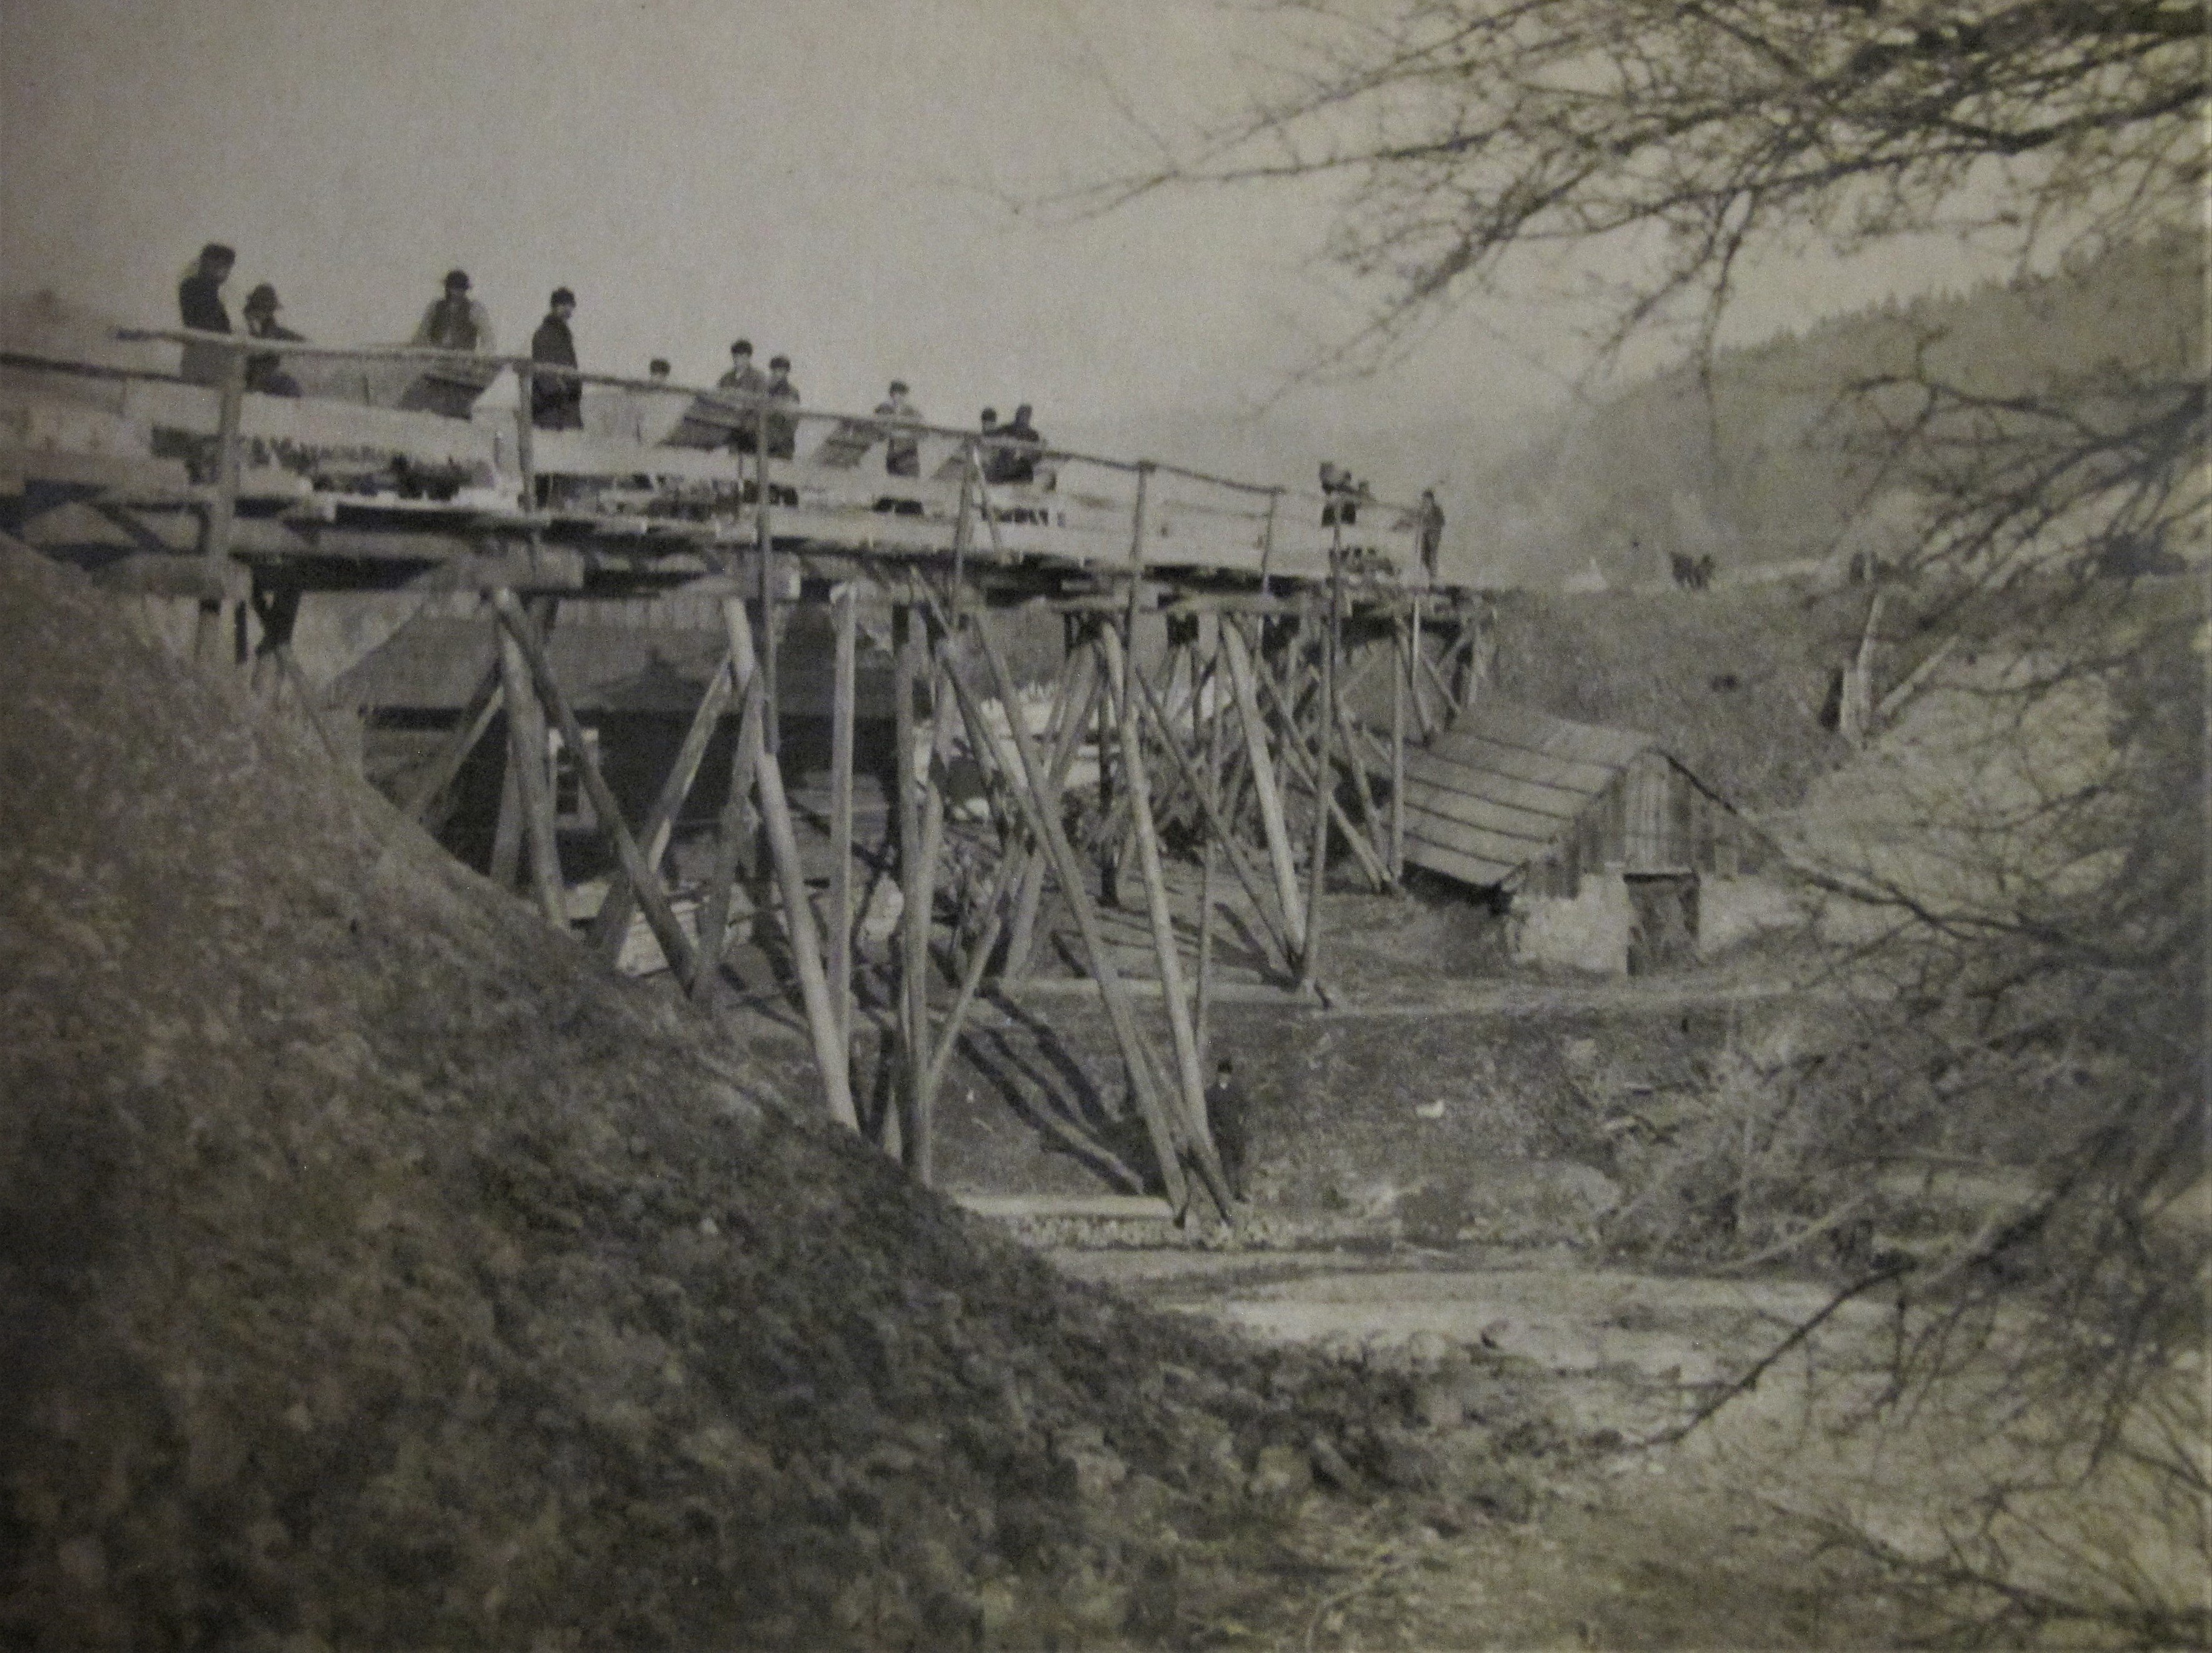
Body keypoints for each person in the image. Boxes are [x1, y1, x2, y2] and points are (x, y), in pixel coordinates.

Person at [177, 242, 235, 385]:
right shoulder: (198, 288)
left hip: (206, 359)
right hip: (204, 360)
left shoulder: (205, 290)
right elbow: (207, 324)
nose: (226, 272)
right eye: (224, 266)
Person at [529, 287, 582, 430]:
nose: (567, 309)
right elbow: (542, 373)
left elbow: (572, 368)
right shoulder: (544, 334)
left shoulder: (566, 336)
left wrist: (575, 388)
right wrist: (560, 389)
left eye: (570, 305)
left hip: (566, 409)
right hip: (550, 409)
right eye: (563, 305)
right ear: (554, 306)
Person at [241, 284, 304, 397]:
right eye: (261, 307)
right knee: (287, 386)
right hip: (245, 377)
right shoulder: (242, 323)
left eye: (268, 309)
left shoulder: (271, 327)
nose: (264, 312)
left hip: (266, 378)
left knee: (289, 385)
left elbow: (291, 338)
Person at [413, 268, 495, 354]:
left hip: (464, 360)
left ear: (465, 290)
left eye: (459, 289)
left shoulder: (475, 309)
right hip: (436, 358)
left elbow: (488, 339)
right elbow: (421, 335)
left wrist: (481, 358)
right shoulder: (435, 307)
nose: (454, 292)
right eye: (452, 288)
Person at [1203, 1058, 1250, 1201]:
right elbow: (1209, 1116)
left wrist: (1242, 1119)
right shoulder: (1211, 1093)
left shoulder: (1236, 1090)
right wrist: (1215, 1130)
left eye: (1227, 1074)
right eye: (1222, 1074)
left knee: (1239, 1164)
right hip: (1223, 1135)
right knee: (1227, 1166)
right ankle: (1230, 1195)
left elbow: (1246, 1106)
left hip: (1237, 1133)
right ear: (1218, 1074)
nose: (1225, 1076)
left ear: (1230, 1075)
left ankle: (1239, 1193)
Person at [718, 339, 767, 452]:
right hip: (729, 428)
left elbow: (761, 403)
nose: (738, 360)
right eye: (735, 356)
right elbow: (719, 400)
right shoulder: (726, 378)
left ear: (749, 357)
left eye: (742, 356)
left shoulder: (758, 377)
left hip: (750, 431)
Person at [875, 379, 923, 477]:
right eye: (897, 394)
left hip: (908, 455)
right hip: (891, 453)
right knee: (892, 480)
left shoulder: (912, 412)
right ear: (892, 395)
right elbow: (879, 427)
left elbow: (921, 429)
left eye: (903, 395)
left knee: (910, 481)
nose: (900, 397)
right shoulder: (884, 409)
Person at [989, 402, 1042, 485]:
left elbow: (1038, 456)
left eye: (1026, 416)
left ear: (1029, 418)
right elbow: (991, 440)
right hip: (1004, 469)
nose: (1023, 418)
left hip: (1022, 472)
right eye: (1021, 415)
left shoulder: (1033, 435)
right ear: (1017, 415)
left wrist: (1023, 454)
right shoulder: (1005, 429)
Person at [762, 354, 800, 460]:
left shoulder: (792, 392)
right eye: (775, 369)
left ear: (787, 372)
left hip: (783, 445)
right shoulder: (764, 389)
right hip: (765, 442)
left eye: (781, 370)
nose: (777, 373)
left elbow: (793, 421)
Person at [1417, 488, 1445, 578]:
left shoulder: (1437, 510)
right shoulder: (1422, 509)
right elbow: (1418, 520)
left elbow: (1442, 522)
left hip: (1433, 537)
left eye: (1426, 499)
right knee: (1423, 557)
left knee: (1432, 558)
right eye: (1424, 500)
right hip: (1424, 537)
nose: (1425, 502)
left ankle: (1433, 578)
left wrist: (1430, 526)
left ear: (1431, 500)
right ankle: (1425, 578)